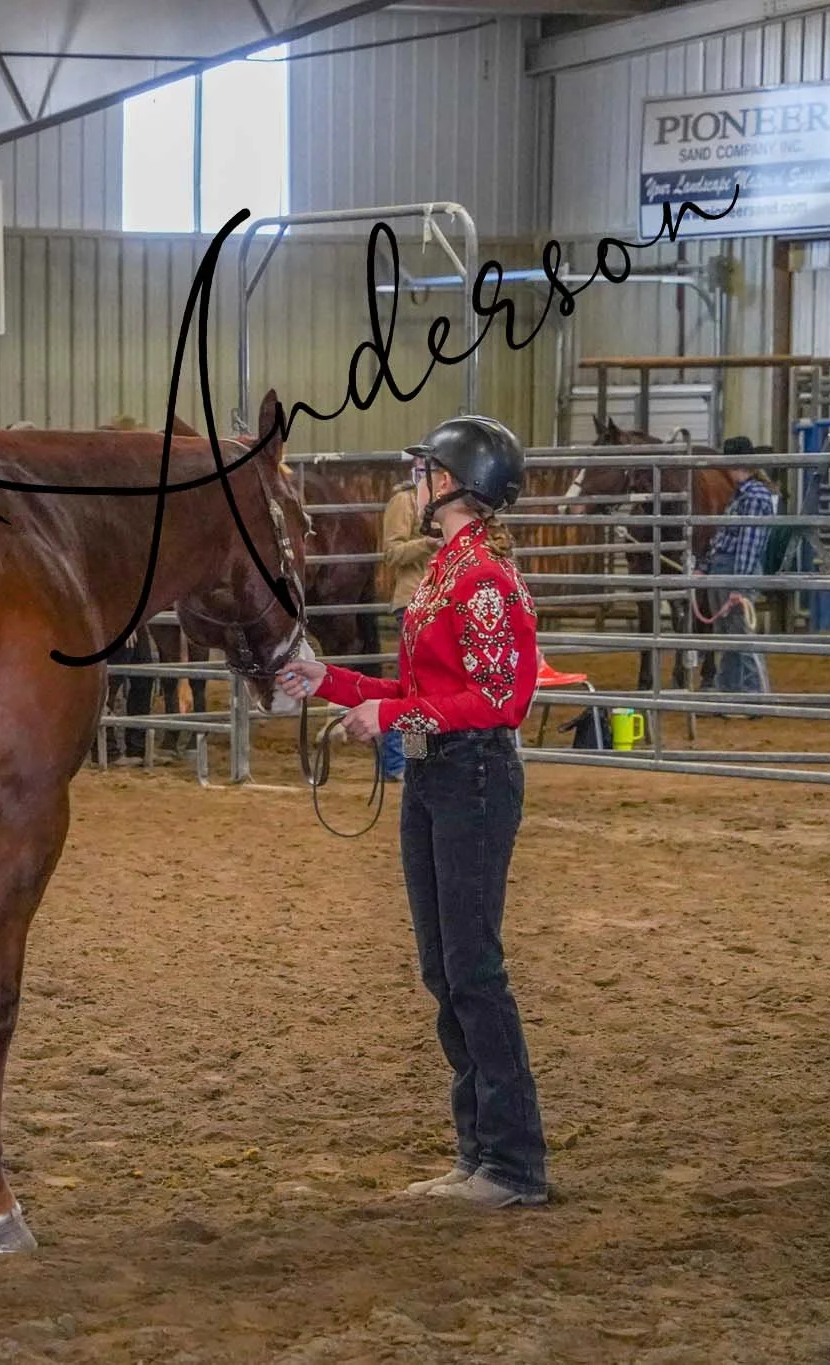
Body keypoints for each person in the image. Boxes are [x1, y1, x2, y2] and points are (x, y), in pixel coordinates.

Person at [275, 415, 550, 1211]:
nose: (416, 480)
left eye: (427, 470)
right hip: (440, 774)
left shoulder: (482, 579)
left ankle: (511, 1161)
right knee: (446, 968)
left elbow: (499, 700)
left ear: (457, 483)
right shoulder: (447, 571)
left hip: (472, 775)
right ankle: (481, 1152)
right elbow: (421, 691)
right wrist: (329, 682)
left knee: (473, 969)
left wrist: (393, 719)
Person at [378, 479, 441, 779]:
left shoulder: (449, 503)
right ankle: (399, 760)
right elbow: (392, 553)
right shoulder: (405, 500)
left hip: (440, 603)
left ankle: (411, 760)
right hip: (414, 601)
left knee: (424, 684)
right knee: (414, 683)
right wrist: (427, 544)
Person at [702, 461, 777, 698]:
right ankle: (729, 692)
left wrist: (739, 584)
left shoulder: (753, 496)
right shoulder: (740, 494)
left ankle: (754, 692)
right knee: (726, 635)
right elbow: (723, 536)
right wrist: (705, 566)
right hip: (723, 568)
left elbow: (749, 545)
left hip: (734, 569)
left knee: (740, 634)